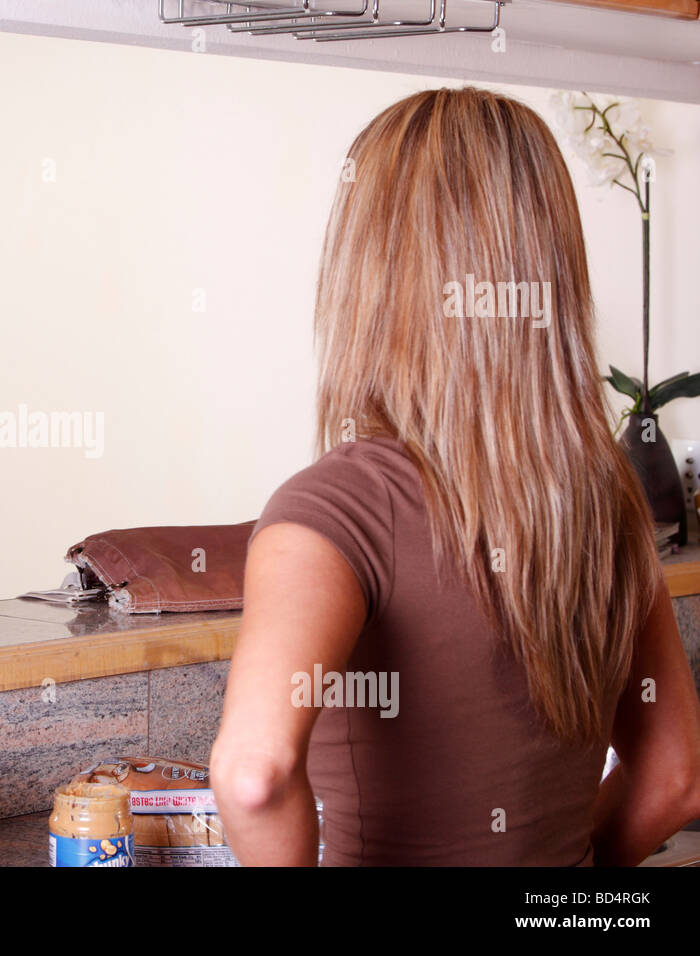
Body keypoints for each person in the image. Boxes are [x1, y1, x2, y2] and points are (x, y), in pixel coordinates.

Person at [210, 88, 700, 865]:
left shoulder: (333, 509)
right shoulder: (606, 497)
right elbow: (676, 780)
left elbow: (252, 778)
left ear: (366, 269)